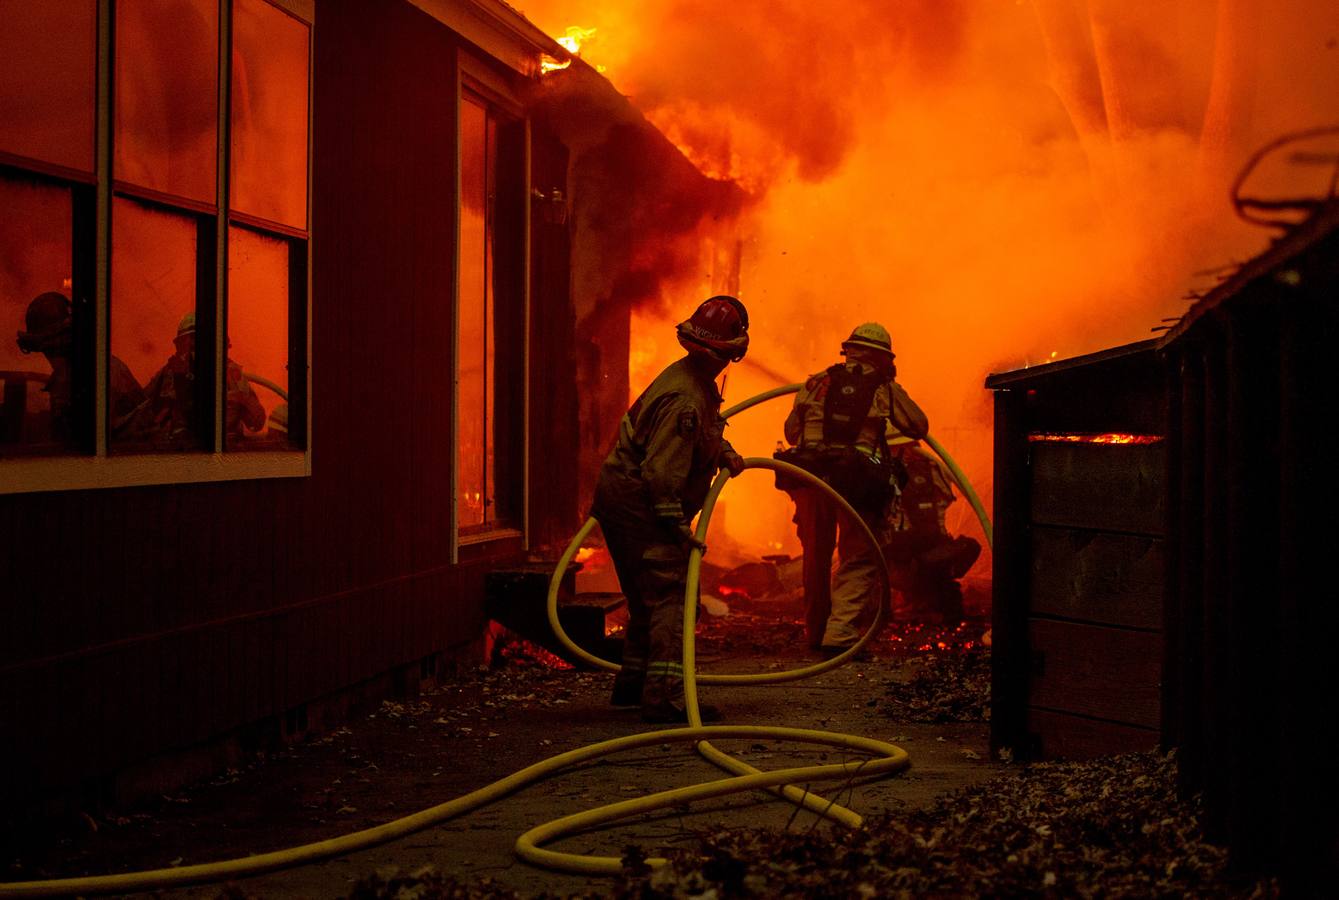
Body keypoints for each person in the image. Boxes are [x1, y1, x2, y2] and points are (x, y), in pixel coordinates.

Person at [592, 295, 748, 724]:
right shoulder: (687, 397)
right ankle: (664, 699)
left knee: (648, 598)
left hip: (624, 501)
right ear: (731, 352)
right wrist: (678, 529)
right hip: (640, 506)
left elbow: (695, 437)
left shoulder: (688, 380)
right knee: (672, 595)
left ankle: (634, 685)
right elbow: (662, 471)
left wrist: (725, 452)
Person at [778, 322, 928, 656]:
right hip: (857, 481)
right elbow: (918, 425)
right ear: (884, 358)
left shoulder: (817, 382)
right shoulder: (882, 387)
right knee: (860, 556)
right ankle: (840, 633)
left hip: (810, 477)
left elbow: (791, 432)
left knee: (815, 557)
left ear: (848, 350)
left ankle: (816, 633)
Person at [15, 291, 148, 444]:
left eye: (48, 349)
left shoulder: (97, 376)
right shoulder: (82, 371)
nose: (48, 356)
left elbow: (87, 443)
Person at [884, 436, 982, 626]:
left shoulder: (921, 469)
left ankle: (924, 603)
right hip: (911, 550)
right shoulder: (930, 468)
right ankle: (919, 603)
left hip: (914, 550)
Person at [144, 312, 265, 444]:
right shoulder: (168, 375)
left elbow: (257, 422)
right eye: (192, 342)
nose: (199, 348)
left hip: (225, 450)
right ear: (180, 346)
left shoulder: (233, 376)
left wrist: (240, 401)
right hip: (178, 450)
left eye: (206, 341)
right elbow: (141, 418)